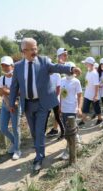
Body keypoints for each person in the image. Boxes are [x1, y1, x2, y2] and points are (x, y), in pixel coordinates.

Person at [9, 38, 81, 172]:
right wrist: (12, 103)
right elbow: (14, 86)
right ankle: (38, 148)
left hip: (42, 104)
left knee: (40, 131)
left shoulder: (44, 61)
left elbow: (57, 67)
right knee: (34, 133)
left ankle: (39, 157)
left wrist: (70, 69)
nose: (35, 51)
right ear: (24, 51)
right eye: (31, 49)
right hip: (28, 105)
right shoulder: (18, 66)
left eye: (36, 48)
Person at [0, 56, 21, 160]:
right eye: (3, 65)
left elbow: (21, 92)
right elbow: (0, 93)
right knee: (3, 128)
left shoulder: (18, 77)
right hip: (5, 105)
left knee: (16, 128)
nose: (5, 67)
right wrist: (8, 104)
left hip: (16, 104)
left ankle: (17, 149)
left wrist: (7, 91)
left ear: (12, 66)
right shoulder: (1, 79)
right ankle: (15, 141)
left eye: (7, 65)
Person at [59, 62, 83, 160]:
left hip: (72, 109)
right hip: (64, 109)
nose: (69, 71)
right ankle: (78, 144)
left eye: (70, 69)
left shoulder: (76, 81)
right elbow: (60, 95)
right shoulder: (62, 80)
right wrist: (60, 107)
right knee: (67, 130)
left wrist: (79, 108)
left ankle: (69, 150)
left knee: (70, 131)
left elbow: (80, 96)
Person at [44, 48, 66, 140]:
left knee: (57, 116)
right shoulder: (44, 74)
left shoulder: (56, 74)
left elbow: (58, 88)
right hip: (46, 99)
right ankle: (42, 135)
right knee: (45, 117)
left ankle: (63, 132)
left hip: (54, 98)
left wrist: (54, 98)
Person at [78, 57, 102, 126]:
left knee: (97, 108)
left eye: (86, 63)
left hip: (93, 95)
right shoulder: (88, 71)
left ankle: (100, 119)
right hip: (87, 94)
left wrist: (96, 95)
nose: (85, 65)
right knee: (85, 108)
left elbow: (96, 85)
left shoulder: (94, 73)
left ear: (90, 64)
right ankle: (82, 120)